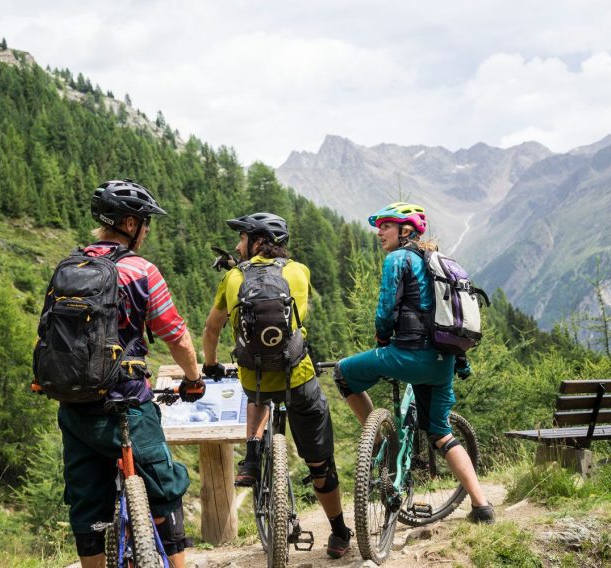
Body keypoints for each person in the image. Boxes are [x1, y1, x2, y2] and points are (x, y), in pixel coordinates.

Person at [53, 179, 205, 568]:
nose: (147, 230)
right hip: (126, 406)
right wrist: (193, 379)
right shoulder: (141, 270)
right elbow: (177, 337)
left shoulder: (67, 267)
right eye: (145, 222)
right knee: (164, 489)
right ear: (129, 224)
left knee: (88, 505)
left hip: (75, 405)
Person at [201, 212, 353, 558]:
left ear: (256, 241)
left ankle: (252, 455)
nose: (238, 246)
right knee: (320, 462)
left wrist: (210, 365)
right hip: (298, 379)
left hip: (254, 379)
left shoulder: (233, 277)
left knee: (256, 386)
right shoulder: (299, 272)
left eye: (242, 239)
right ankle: (339, 533)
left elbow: (212, 331)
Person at [333, 202, 495, 524]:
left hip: (406, 355)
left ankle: (379, 443)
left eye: (386, 226)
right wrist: (459, 361)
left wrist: (382, 341)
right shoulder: (438, 263)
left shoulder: (398, 259)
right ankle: (482, 507)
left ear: (406, 230)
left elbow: (385, 311)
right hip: (442, 363)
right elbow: (451, 319)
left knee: (343, 374)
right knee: (442, 433)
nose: (379, 233)